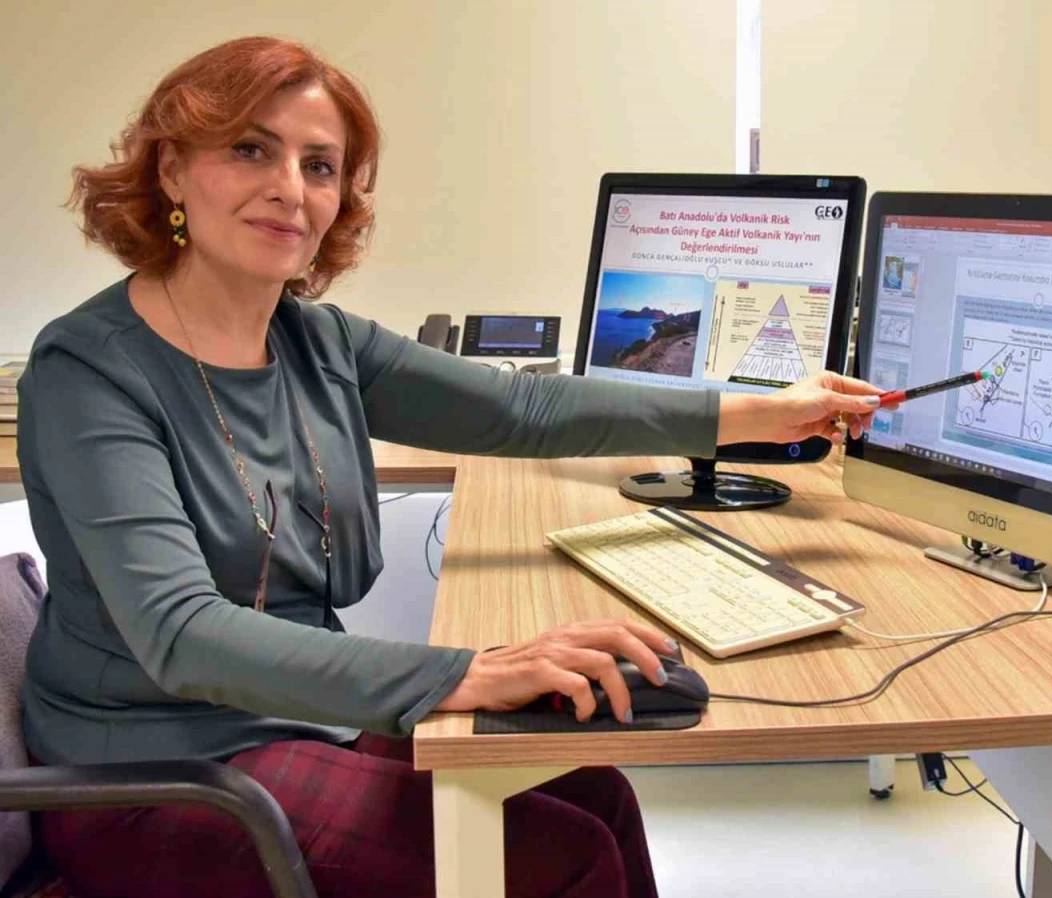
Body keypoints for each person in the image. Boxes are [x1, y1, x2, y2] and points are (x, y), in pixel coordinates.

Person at [16, 36, 884, 898]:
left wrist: (762, 413)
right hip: (155, 773)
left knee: (597, 795)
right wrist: (466, 670)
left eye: (320, 166)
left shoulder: (318, 343)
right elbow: (179, 632)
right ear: (172, 169)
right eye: (250, 149)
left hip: (296, 719)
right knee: (560, 856)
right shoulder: (89, 373)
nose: (290, 188)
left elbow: (523, 409)